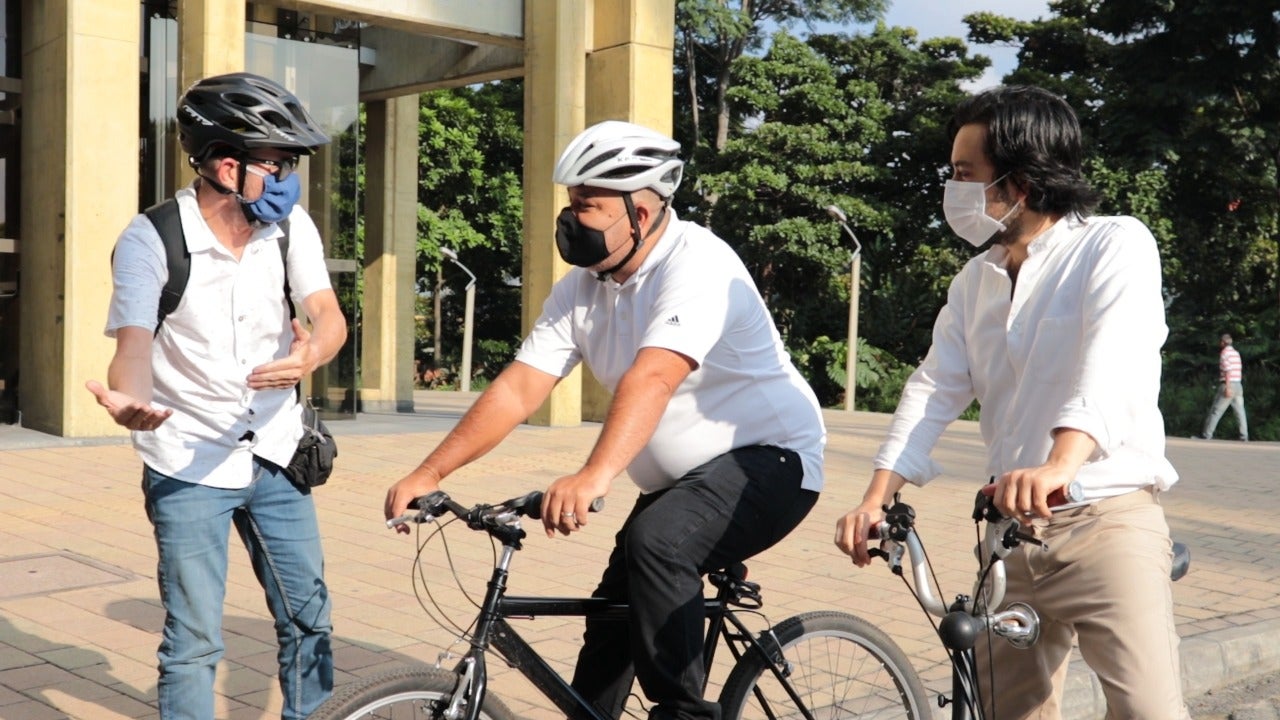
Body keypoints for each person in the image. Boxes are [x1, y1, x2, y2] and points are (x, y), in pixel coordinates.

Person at [385, 120, 826, 720]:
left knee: (657, 544)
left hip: (772, 461)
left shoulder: (698, 264)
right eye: (570, 204)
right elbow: (519, 388)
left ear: (639, 213)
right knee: (610, 626)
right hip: (683, 484)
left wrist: (594, 475)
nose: (571, 220)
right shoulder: (582, 289)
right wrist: (430, 471)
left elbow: (654, 376)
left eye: (587, 206)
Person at [833, 85, 1190, 719]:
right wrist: (875, 497)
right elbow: (932, 389)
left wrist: (1061, 463)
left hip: (1107, 522)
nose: (953, 188)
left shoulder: (1114, 244)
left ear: (1020, 182)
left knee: (1149, 711)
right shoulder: (975, 281)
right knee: (1003, 711)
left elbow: (1114, 360)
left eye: (964, 173)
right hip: (1010, 539)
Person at [86, 72, 347, 720]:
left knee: (309, 620)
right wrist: (132, 402)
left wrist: (311, 354)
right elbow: (134, 346)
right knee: (194, 642)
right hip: (188, 460)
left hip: (277, 452)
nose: (288, 178)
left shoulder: (290, 229)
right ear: (228, 166)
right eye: (277, 163)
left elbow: (328, 315)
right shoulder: (153, 238)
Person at [1201, 333, 1248, 440]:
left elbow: (1227, 370)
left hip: (1228, 383)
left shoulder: (1224, 353)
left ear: (1222, 342)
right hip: (1238, 384)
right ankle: (1244, 435)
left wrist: (1228, 387)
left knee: (1216, 410)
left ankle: (1207, 434)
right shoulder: (1236, 353)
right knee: (1240, 411)